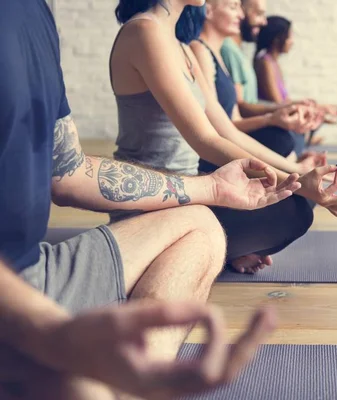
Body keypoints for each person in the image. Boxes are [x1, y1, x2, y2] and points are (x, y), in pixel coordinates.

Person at [0, 0, 292, 398]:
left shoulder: (38, 15)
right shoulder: (142, 32)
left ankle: (143, 379)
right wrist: (47, 332)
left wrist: (212, 188)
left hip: (35, 271)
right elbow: (209, 136)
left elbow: (68, 173)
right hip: (14, 301)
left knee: (204, 224)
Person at [109, 1, 337, 274]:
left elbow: (227, 131)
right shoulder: (144, 32)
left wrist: (298, 172)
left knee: (298, 199)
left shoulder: (181, 46)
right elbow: (206, 140)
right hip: (153, 204)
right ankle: (196, 250)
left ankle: (210, 248)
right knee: (294, 208)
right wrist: (295, 182)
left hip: (193, 191)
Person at [189, 0, 312, 160]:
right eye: (234, 7)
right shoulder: (200, 50)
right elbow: (219, 130)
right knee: (282, 140)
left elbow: (234, 121)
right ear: (208, 11)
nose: (241, 14)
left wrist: (274, 119)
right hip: (213, 148)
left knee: (284, 139)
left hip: (228, 133)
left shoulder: (217, 53)